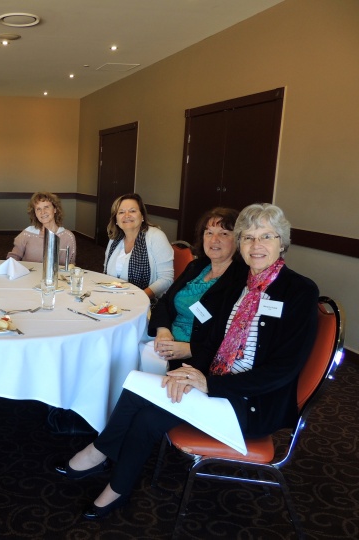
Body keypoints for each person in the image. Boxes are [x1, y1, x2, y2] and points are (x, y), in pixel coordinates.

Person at [56, 203, 318, 520]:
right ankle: (117, 486)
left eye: (266, 236)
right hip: (215, 384)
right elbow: (209, 339)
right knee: (140, 396)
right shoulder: (238, 285)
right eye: (248, 237)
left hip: (251, 403)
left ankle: (101, 459)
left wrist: (210, 382)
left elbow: (284, 369)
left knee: (146, 409)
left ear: (282, 242)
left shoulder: (299, 291)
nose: (256, 246)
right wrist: (192, 371)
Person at [147, 207, 247, 370]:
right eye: (208, 233)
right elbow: (166, 301)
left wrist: (190, 350)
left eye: (223, 233)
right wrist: (163, 330)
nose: (214, 240)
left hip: (196, 359)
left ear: (237, 240)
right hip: (166, 342)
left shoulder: (240, 281)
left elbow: (231, 335)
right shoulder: (196, 267)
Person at [103, 193, 173, 300]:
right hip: (113, 298)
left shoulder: (155, 236)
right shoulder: (114, 239)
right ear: (116, 220)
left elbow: (166, 279)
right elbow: (105, 272)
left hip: (145, 303)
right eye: (121, 212)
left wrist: (138, 298)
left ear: (142, 216)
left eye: (132, 211)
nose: (127, 215)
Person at [7, 192, 76, 265]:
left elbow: (70, 266)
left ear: (55, 210)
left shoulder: (68, 237)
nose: (42, 212)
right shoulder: (28, 233)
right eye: (38, 209)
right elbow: (13, 256)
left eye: (46, 207)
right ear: (35, 213)